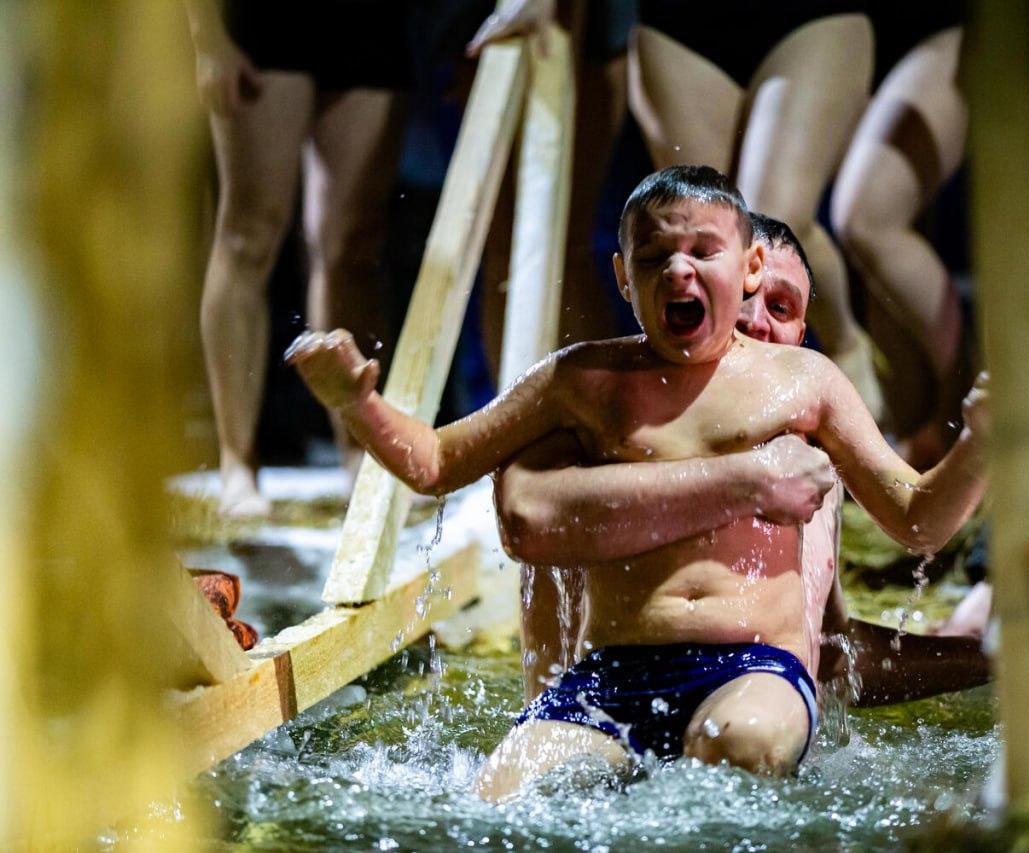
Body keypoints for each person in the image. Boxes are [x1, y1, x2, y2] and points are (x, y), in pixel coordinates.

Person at [286, 166, 988, 800]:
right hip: (610, 673)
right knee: (503, 796)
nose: (679, 270)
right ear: (624, 278)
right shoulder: (582, 380)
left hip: (753, 667)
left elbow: (918, 517)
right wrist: (359, 405)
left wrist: (983, 443)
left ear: (747, 265)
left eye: (703, 251)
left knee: (739, 746)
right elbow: (439, 461)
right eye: (655, 258)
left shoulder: (805, 382)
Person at [495, 212, 989, 707]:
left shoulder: (808, 465)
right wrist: (750, 480)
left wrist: (989, 660)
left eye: (781, 308)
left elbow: (831, 657)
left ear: (800, 338)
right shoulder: (600, 423)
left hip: (760, 721)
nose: (756, 322)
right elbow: (522, 519)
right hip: (600, 722)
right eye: (743, 296)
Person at [467, 0, 885, 418]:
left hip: (812, 19)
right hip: (679, 28)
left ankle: (846, 350)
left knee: (771, 223)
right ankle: (735, 419)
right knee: (709, 242)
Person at [185, 0, 411, 516]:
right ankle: (237, 462)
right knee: (249, 236)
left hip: (369, 20)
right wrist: (207, 38)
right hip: (266, 22)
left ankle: (360, 450)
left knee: (353, 245)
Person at [830, 7, 968, 465]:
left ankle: (967, 414)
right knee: (872, 266)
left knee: (867, 219)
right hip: (855, 26)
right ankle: (920, 440)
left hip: (953, 24)